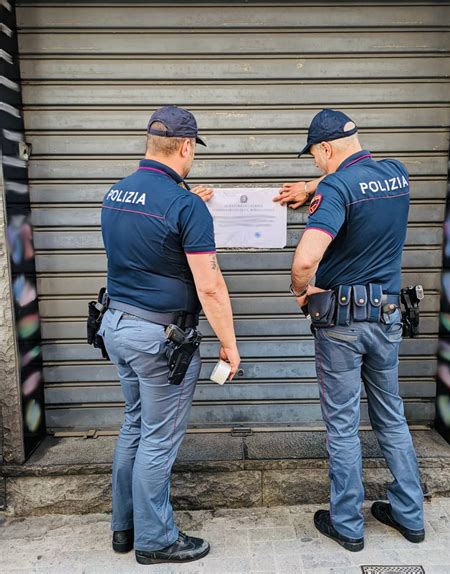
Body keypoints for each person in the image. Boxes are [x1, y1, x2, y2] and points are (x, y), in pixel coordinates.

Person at [98, 105, 240, 565]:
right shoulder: (184, 205)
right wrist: (230, 345)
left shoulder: (116, 194)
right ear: (185, 146)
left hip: (116, 325)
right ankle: (157, 541)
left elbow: (149, 237)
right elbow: (210, 285)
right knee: (158, 440)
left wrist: (187, 201)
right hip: (159, 339)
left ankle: (124, 528)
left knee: (136, 425)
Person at [282, 109, 425, 552]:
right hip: (387, 317)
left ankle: (347, 523)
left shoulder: (337, 188)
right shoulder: (396, 174)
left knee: (342, 425)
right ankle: (410, 514)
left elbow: (305, 259)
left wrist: (300, 291)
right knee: (391, 415)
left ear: (325, 149)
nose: (316, 168)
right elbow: (357, 180)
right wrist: (312, 187)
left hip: (341, 323)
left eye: (315, 159)